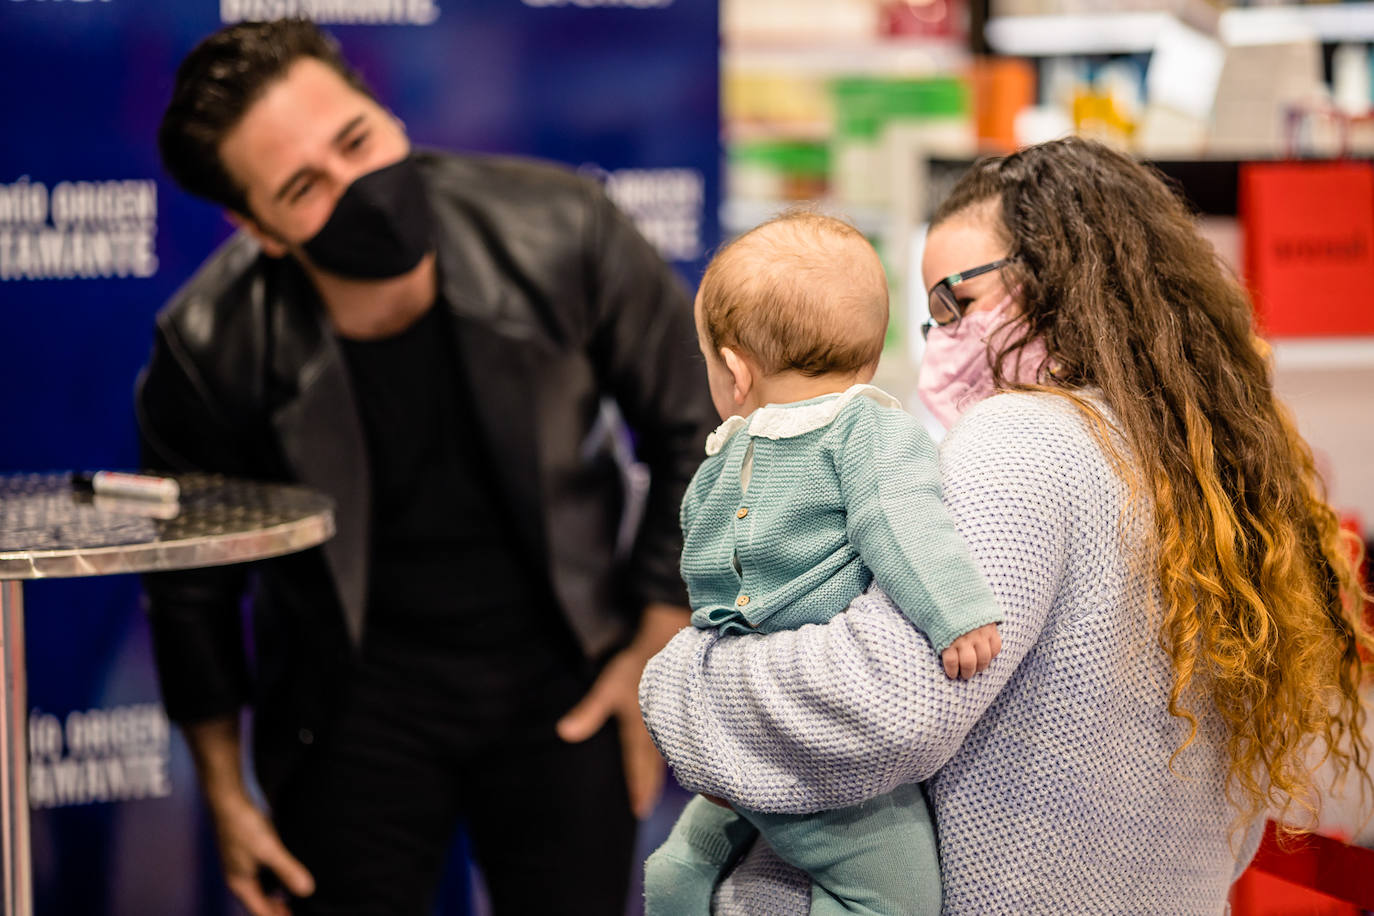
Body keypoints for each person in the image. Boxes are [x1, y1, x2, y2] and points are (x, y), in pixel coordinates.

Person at [639, 137, 1374, 914]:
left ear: (1065, 275)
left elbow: (888, 698)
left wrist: (678, 678)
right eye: (931, 319)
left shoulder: (1025, 441)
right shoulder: (1208, 480)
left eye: (958, 301)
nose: (944, 340)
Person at [137, 20, 716, 916]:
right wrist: (221, 788)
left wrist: (654, 638)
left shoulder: (563, 226)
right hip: (346, 708)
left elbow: (696, 426)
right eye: (304, 187)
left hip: (565, 678)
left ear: (386, 113)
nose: (356, 187)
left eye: (357, 140)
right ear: (260, 229)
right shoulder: (210, 345)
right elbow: (190, 590)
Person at [641, 212, 1002, 916]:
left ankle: (677, 890)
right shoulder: (867, 426)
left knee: (681, 860)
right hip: (828, 768)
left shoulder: (723, 462)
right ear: (869, 356)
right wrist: (957, 615)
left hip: (734, 740)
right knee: (897, 901)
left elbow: (704, 572)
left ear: (735, 372)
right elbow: (902, 520)